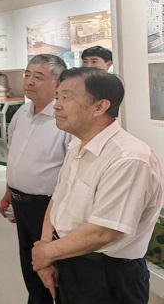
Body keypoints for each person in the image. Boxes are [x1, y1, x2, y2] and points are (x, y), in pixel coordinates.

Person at [31, 68, 163, 304]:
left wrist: (45, 253)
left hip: (107, 275)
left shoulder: (129, 158)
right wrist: (46, 249)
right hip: (67, 258)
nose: (56, 105)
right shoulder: (78, 145)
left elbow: (104, 231)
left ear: (100, 106)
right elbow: (58, 200)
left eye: (66, 97)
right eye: (58, 96)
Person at [0, 54, 70, 304]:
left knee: (53, 271)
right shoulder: (22, 113)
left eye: (38, 77)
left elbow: (72, 170)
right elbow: (15, 154)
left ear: (57, 83)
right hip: (21, 205)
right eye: (27, 74)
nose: (29, 81)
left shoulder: (64, 118)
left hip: (50, 208)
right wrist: (9, 191)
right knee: (30, 267)